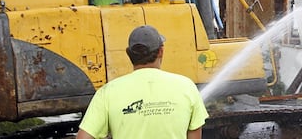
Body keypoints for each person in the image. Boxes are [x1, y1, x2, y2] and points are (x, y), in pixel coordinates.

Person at [77, 25, 209, 139]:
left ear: (129, 54)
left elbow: (84, 137)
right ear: (161, 51)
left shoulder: (107, 93)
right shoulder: (186, 87)